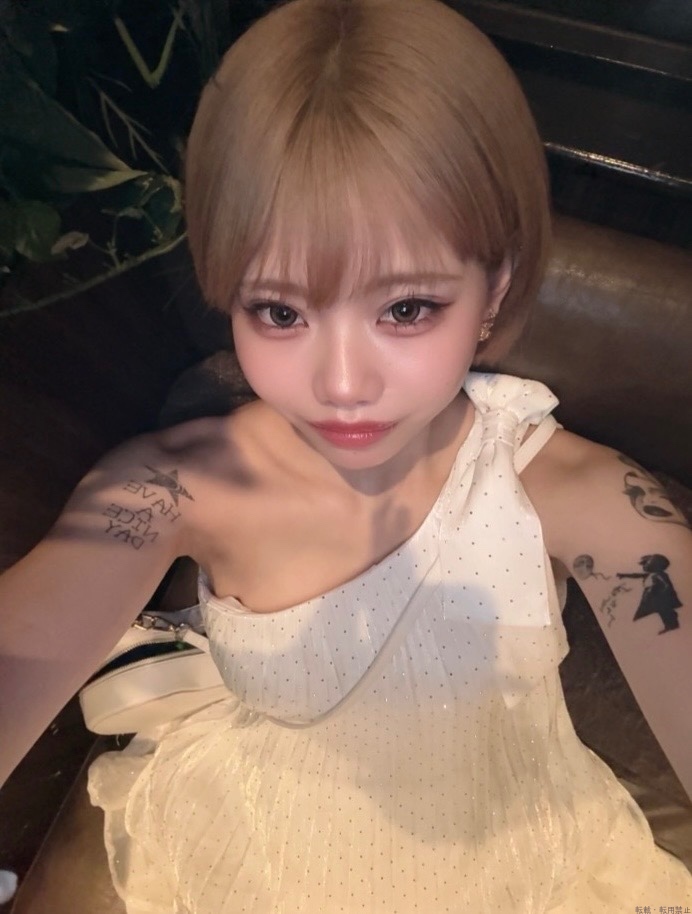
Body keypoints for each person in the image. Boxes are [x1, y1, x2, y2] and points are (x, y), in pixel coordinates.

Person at [1, 0, 691, 910]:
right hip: (263, 839)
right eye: (280, 311)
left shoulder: (578, 497)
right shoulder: (175, 487)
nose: (340, 384)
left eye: (405, 309)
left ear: (495, 288)